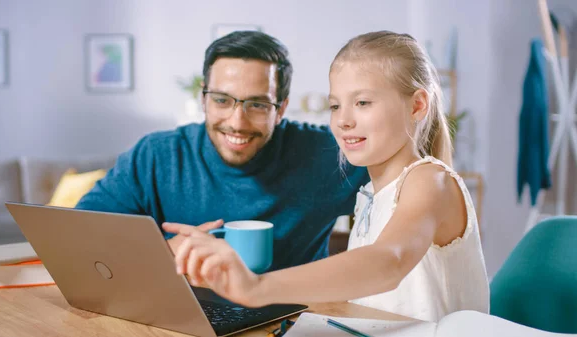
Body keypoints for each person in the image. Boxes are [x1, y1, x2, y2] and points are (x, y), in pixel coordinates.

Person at [168, 31, 490, 322]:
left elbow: (387, 262)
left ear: (417, 105)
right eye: (335, 106)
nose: (343, 121)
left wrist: (257, 288)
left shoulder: (430, 181)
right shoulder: (368, 195)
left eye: (362, 102)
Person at [75, 31, 369, 271]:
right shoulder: (156, 155)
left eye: (257, 104)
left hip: (295, 320)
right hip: (182, 316)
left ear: (281, 109)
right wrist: (163, 253)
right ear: (203, 98)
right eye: (222, 100)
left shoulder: (329, 153)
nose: (237, 123)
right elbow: (81, 234)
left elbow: (406, 167)